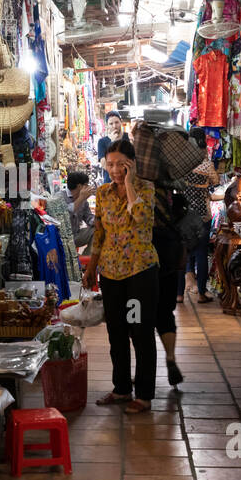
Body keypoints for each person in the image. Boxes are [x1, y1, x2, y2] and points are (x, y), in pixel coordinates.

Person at [82, 138, 158, 414]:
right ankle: (122, 389)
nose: (114, 170)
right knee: (116, 333)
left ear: (131, 164)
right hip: (111, 274)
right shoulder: (102, 194)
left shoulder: (146, 190)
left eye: (120, 165)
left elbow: (141, 219)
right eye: (110, 164)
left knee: (140, 332)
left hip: (139, 274)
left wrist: (129, 183)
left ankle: (145, 395)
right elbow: (100, 232)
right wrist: (92, 267)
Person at [178, 128, 220, 304]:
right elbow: (216, 182)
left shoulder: (181, 163)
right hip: (203, 214)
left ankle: (179, 294)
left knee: (182, 254)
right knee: (201, 253)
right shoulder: (206, 164)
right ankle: (202, 293)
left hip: (184, 214)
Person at [152, 182, 187, 388]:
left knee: (140, 317)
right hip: (169, 253)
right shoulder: (170, 183)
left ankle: (143, 369)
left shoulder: (138, 186)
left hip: (146, 255)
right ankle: (171, 357)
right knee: (165, 312)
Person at [66, 171, 95, 249]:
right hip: (62, 238)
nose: (88, 187)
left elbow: (88, 217)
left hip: (76, 235)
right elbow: (66, 214)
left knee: (97, 230)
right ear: (79, 186)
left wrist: (97, 220)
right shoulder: (60, 196)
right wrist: (81, 198)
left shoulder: (84, 200)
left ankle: (88, 259)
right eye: (86, 185)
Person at [96, 111, 124, 182]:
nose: (114, 126)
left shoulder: (128, 138)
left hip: (126, 183)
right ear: (107, 125)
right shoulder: (102, 142)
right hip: (109, 183)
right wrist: (112, 143)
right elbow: (104, 165)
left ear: (121, 122)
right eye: (111, 124)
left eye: (117, 122)